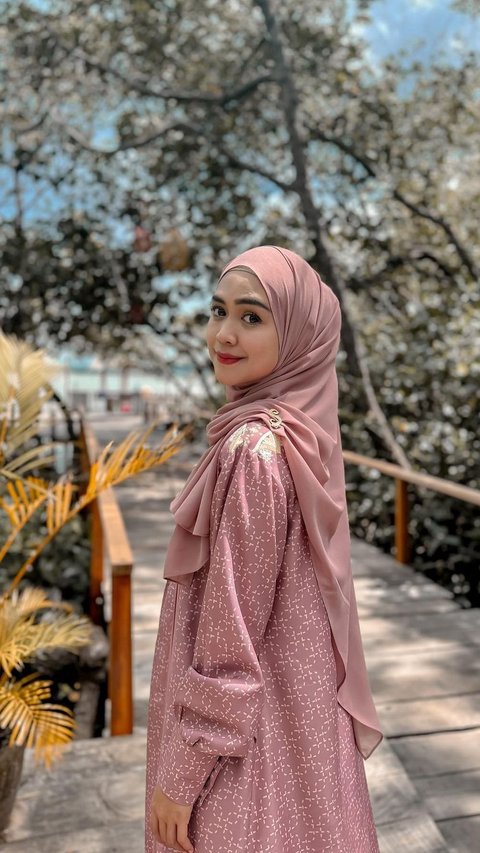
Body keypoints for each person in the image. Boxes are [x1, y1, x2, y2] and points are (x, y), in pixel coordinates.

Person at [145, 246, 382, 853]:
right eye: (218, 310)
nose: (223, 334)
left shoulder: (254, 450)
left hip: (242, 759)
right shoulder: (297, 433)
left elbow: (230, 635)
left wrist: (180, 777)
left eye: (252, 317)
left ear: (299, 335)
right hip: (296, 732)